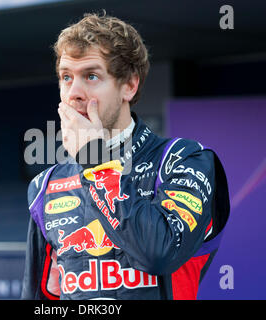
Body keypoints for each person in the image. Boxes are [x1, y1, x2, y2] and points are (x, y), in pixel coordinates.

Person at [21, 12, 230, 300]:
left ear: (129, 85)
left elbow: (159, 254)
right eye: (66, 77)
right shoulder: (45, 186)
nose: (74, 93)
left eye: (91, 76)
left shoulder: (184, 160)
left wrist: (95, 161)